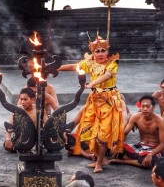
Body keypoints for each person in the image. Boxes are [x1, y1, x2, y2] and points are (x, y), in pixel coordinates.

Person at [58, 32, 125, 173]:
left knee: (103, 134)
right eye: (97, 51)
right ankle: (96, 158)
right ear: (92, 52)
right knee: (87, 130)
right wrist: (54, 68)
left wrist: (92, 84)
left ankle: (99, 164)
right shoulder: (90, 62)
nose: (100, 54)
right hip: (94, 101)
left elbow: (107, 75)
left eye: (103, 50)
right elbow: (74, 67)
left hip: (109, 102)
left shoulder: (113, 63)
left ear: (107, 51)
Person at [110, 95, 164, 168]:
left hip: (155, 148)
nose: (145, 109)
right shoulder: (135, 117)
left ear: (153, 107)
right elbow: (125, 133)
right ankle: (138, 160)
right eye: (142, 106)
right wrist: (117, 145)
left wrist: (150, 154)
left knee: (152, 161)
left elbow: (163, 144)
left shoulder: (159, 121)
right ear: (140, 107)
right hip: (140, 146)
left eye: (148, 106)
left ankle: (123, 161)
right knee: (116, 150)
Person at [4, 87, 38, 152]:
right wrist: (8, 139)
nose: (22, 102)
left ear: (32, 99)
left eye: (25, 99)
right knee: (9, 146)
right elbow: (9, 126)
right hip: (20, 138)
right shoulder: (17, 110)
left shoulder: (39, 111)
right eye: (21, 99)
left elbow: (48, 126)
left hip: (35, 139)